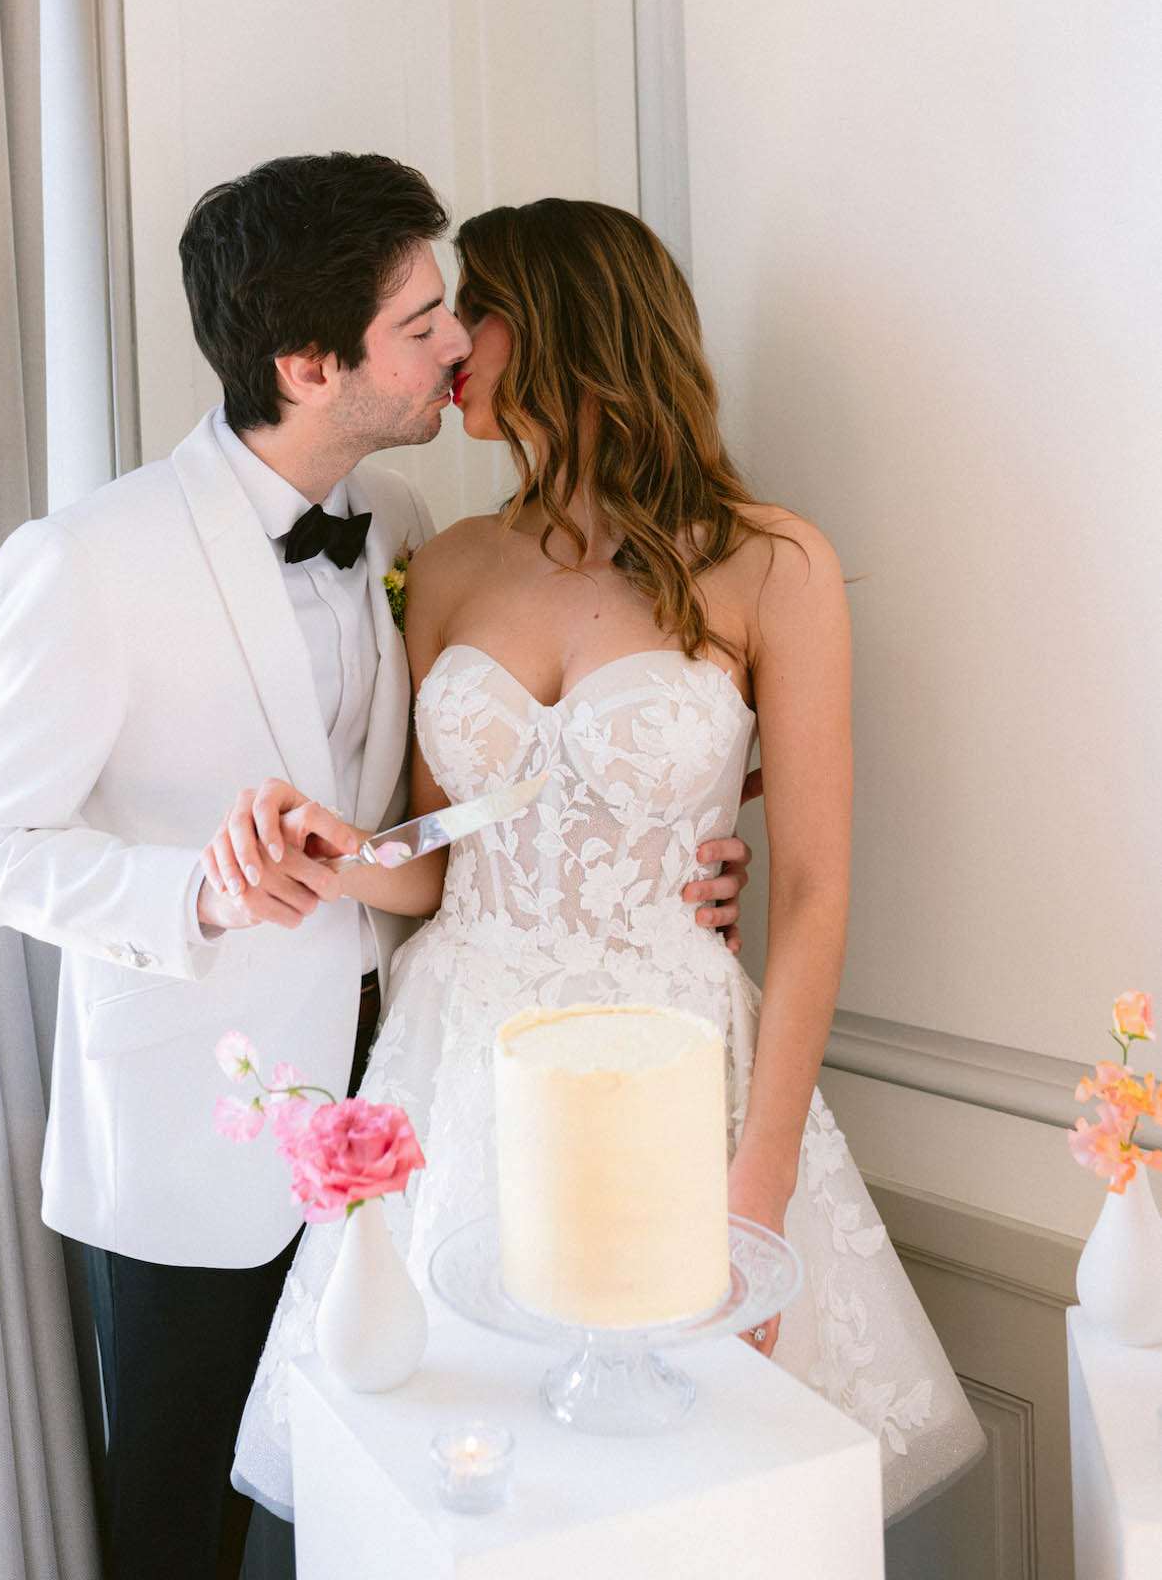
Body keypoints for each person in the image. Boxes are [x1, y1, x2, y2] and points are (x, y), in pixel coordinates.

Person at [0, 157, 753, 1580]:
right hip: (196, 1140)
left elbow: (467, 808)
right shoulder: (85, 560)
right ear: (311, 364)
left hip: (421, 1118)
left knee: (391, 1514)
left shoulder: (416, 536)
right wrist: (194, 889)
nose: (461, 343)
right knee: (182, 1534)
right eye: (425, 317)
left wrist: (683, 837)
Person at [230, 196, 986, 1529]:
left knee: (684, 1490)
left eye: (477, 309)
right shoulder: (447, 562)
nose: (451, 340)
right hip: (462, 1059)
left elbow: (810, 897)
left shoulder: (769, 562)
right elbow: (437, 862)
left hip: (675, 1060)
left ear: (563, 323)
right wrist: (343, 856)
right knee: (482, 1479)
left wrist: (751, 1196)